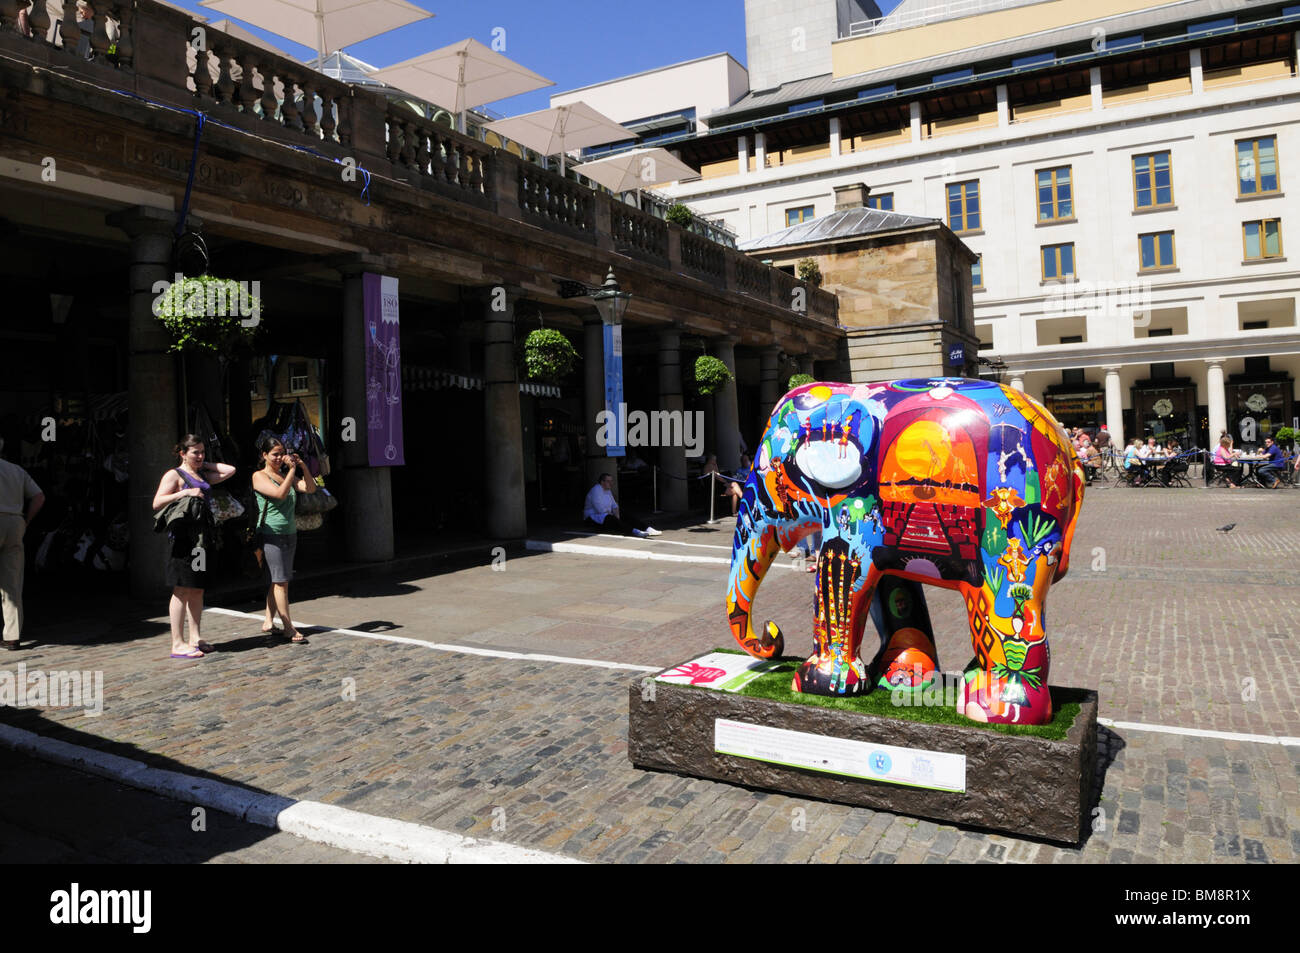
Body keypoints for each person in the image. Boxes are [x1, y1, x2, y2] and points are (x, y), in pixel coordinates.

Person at [151, 435, 235, 658]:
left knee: (197, 587)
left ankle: (195, 637)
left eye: (202, 452)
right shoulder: (174, 475)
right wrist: (185, 491)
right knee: (181, 589)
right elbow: (157, 502)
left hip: (202, 539)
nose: (199, 456)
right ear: (182, 453)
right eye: (195, 452)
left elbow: (230, 470)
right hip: (182, 539)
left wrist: (202, 463)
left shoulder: (201, 473)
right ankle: (177, 643)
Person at [251, 434, 317, 643]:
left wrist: (303, 467)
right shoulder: (259, 476)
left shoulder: (284, 474)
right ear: (264, 455)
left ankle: (268, 621)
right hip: (271, 533)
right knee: (281, 582)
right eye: (275, 454)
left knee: (278, 578)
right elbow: (279, 494)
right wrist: (290, 471)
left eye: (282, 454)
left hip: (290, 532)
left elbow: (310, 488)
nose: (279, 458)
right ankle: (289, 627)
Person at [0, 438, 45, 651]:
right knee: (12, 581)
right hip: (15, 523)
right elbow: (38, 497)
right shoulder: (16, 470)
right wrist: (25, 522)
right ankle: (12, 636)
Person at [583, 473, 660, 537]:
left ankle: (647, 528)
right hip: (592, 518)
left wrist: (617, 515)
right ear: (602, 482)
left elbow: (614, 505)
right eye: (608, 481)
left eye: (611, 481)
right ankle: (635, 531)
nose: (611, 483)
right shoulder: (596, 490)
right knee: (610, 518)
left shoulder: (607, 490)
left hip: (606, 515)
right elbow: (600, 510)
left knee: (623, 513)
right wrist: (615, 516)